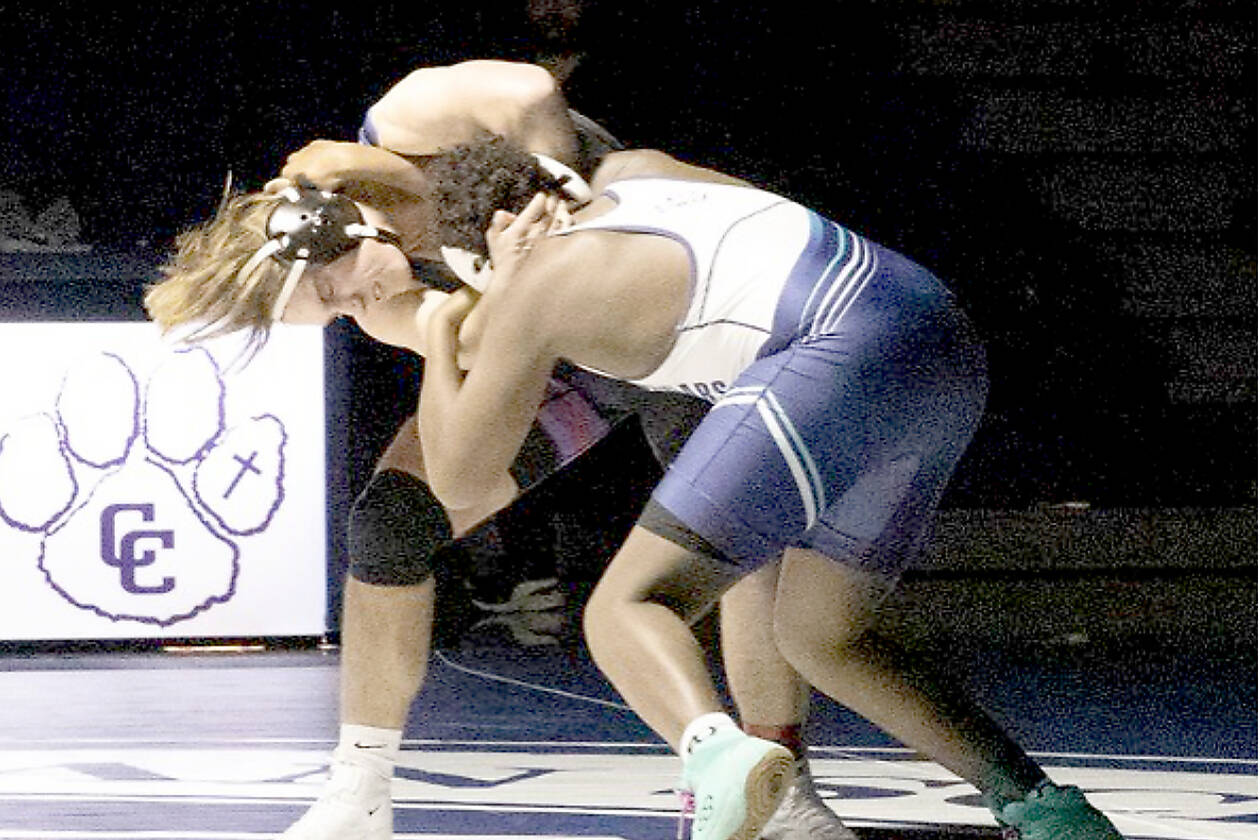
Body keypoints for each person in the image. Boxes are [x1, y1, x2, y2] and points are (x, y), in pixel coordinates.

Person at [146, 59, 860, 840]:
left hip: (670, 303)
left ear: (327, 228)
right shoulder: (385, 302)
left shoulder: (405, 120)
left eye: (336, 294)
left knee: (744, 542)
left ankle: (784, 791)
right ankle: (359, 796)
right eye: (337, 315)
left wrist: (545, 196)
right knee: (389, 525)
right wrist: (517, 276)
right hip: (566, 354)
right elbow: (471, 337)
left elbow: (528, 92)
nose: (358, 309)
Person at [394, 136, 1129, 840]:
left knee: (626, 608)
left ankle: (723, 758)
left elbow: (460, 479)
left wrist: (439, 334)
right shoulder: (640, 168)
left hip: (835, 351)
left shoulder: (536, 282)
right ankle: (1047, 811)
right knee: (818, 635)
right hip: (938, 339)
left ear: (484, 247)